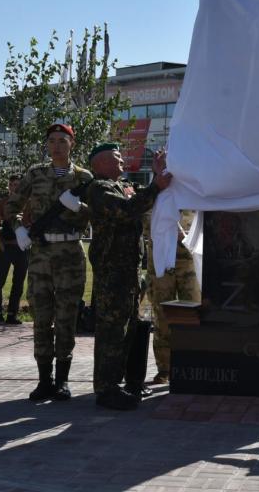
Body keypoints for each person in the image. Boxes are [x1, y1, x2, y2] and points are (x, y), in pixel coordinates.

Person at [5, 123, 93, 402]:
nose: (56, 146)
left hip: (69, 252)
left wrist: (80, 208)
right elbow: (12, 206)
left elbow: (96, 212)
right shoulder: (35, 173)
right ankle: (45, 379)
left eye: (62, 141)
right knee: (41, 316)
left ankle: (63, 380)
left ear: (72, 145)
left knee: (67, 316)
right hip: (42, 253)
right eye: (52, 141)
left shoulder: (83, 177)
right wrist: (18, 227)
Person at [86, 143, 171, 410]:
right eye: (115, 158)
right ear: (98, 164)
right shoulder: (99, 189)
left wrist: (157, 182)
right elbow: (127, 210)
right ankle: (106, 388)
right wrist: (156, 185)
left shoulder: (121, 185)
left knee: (129, 329)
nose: (122, 161)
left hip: (129, 271)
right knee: (112, 331)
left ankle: (124, 382)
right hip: (112, 272)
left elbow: (137, 204)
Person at [147, 209, 201, 385]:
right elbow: (147, 220)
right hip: (161, 257)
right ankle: (165, 369)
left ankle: (191, 365)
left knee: (192, 314)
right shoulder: (158, 191)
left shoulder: (195, 189)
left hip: (189, 258)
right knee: (162, 314)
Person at [0, 174, 28, 326]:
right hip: (7, 247)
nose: (15, 187)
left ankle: (12, 314)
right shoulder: (2, 203)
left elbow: (31, 222)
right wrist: (1, 243)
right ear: (9, 186)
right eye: (12, 184)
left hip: (22, 248)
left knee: (18, 282)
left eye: (18, 184)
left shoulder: (27, 203)